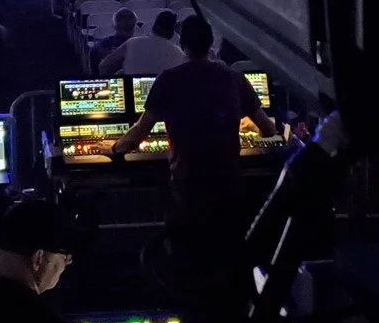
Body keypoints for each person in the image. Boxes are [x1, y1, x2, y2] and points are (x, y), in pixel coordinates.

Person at [110, 15, 278, 204]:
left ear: (182, 44)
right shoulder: (235, 78)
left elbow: (141, 130)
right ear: (211, 43)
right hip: (227, 182)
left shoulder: (168, 79)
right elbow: (269, 129)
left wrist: (115, 148)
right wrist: (249, 126)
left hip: (186, 183)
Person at [100, 9, 184, 76]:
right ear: (173, 33)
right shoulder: (179, 54)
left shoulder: (132, 43)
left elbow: (103, 67)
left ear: (153, 27)